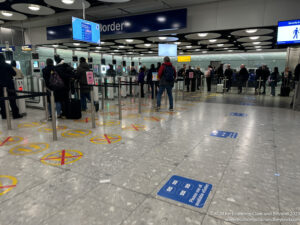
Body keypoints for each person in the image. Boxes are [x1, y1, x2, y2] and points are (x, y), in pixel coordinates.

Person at [0, 54, 22, 119]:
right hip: (9, 86)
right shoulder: (8, 66)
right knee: (12, 100)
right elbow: (14, 74)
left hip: (0, 86)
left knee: (2, 101)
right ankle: (15, 115)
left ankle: (4, 115)